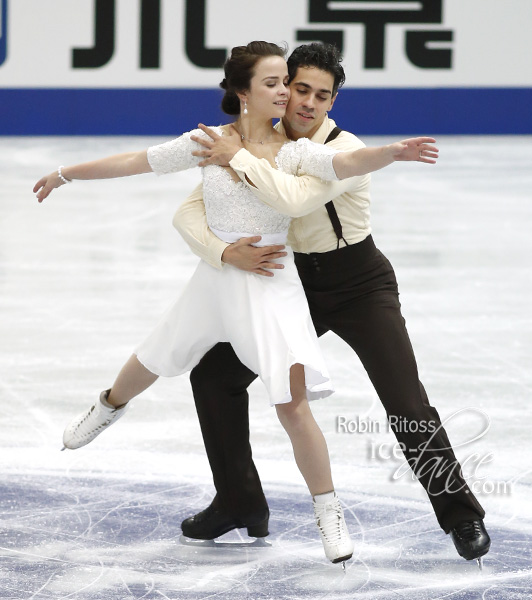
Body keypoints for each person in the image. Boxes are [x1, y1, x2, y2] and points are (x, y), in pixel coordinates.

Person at [32, 41, 437, 565]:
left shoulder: (293, 151)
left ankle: (328, 514)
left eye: (286, 84)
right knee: (154, 356)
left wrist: (389, 154)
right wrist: (67, 173)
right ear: (243, 93)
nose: (288, 94)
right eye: (276, 83)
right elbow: (138, 161)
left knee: (291, 401)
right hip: (215, 276)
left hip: (270, 285)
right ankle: (107, 406)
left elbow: (345, 160)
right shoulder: (207, 143)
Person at [173, 42, 491, 565]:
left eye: (323, 95)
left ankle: (460, 512)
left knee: (405, 401)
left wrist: (242, 159)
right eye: (300, 89)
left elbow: (290, 198)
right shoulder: (253, 142)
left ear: (333, 100)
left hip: (358, 282)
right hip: (293, 282)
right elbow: (193, 208)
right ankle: (238, 500)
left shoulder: (343, 152)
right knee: (215, 376)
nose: (308, 103)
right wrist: (222, 246)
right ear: (280, 87)